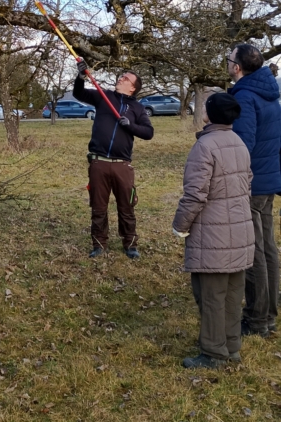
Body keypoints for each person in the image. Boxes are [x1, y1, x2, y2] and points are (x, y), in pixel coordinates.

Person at [173, 92, 254, 369]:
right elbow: (247, 184)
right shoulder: (239, 143)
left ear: (210, 113)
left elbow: (195, 194)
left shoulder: (204, 146)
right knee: (232, 295)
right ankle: (231, 347)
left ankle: (213, 353)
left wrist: (180, 225)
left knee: (210, 296)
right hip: (241, 230)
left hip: (213, 234)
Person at [227, 44, 281, 337]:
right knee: (268, 248)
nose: (227, 64)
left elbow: (242, 146)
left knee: (255, 251)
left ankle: (258, 319)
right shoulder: (270, 93)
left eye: (229, 60)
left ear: (237, 68)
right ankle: (269, 312)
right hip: (268, 180)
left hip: (252, 184)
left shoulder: (246, 97)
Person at [73, 63, 153, 258]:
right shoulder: (104, 96)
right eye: (121, 76)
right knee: (98, 206)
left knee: (126, 207)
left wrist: (130, 125)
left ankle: (130, 244)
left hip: (122, 165)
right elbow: (79, 93)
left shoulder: (137, 108)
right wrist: (81, 76)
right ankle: (99, 244)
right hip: (99, 162)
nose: (120, 78)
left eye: (125, 78)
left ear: (133, 87)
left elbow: (148, 132)